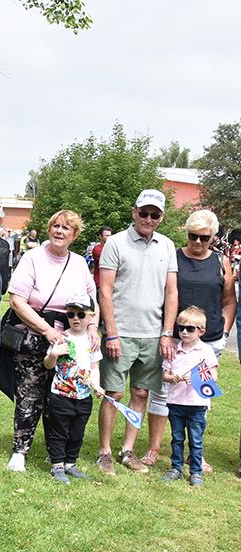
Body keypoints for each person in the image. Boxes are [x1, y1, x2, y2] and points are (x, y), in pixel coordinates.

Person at [141, 209, 235, 470]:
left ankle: (195, 453)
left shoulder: (220, 262)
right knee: (162, 392)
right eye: (192, 236)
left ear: (213, 237)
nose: (196, 242)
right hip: (174, 337)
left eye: (203, 238)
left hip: (209, 340)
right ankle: (154, 447)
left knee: (199, 396)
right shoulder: (174, 257)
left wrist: (224, 333)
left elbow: (228, 300)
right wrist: (166, 332)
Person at [4, 210, 96, 472]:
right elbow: (17, 301)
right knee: (30, 394)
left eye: (66, 228)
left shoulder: (79, 263)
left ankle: (54, 451)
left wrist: (91, 328)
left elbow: (92, 300)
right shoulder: (33, 258)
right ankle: (19, 451)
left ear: (74, 234)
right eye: (55, 226)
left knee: (59, 398)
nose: (59, 231)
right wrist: (46, 331)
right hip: (34, 335)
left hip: (69, 338)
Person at [97, 189, 178, 476]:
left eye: (154, 214)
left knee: (141, 393)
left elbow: (171, 292)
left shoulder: (167, 246)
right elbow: (105, 291)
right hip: (121, 333)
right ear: (134, 213)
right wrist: (112, 333)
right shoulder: (116, 243)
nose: (148, 218)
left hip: (153, 335)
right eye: (143, 213)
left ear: (161, 217)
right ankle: (104, 451)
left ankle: (127, 450)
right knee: (114, 393)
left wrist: (167, 332)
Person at [42, 293, 104, 483]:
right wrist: (54, 354)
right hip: (61, 395)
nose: (75, 319)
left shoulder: (92, 341)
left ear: (91, 317)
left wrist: (97, 385)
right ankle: (57, 466)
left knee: (77, 432)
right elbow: (48, 365)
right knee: (59, 431)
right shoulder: (61, 338)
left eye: (81, 314)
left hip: (83, 396)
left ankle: (70, 463)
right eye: (71, 314)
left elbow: (94, 367)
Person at [160, 306, 218, 486]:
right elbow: (164, 374)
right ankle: (176, 468)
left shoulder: (206, 351)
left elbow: (213, 376)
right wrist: (172, 377)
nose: (184, 332)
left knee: (196, 439)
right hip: (175, 402)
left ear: (201, 331)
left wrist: (196, 378)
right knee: (177, 437)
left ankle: (195, 471)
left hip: (197, 403)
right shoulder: (174, 350)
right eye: (181, 328)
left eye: (190, 329)